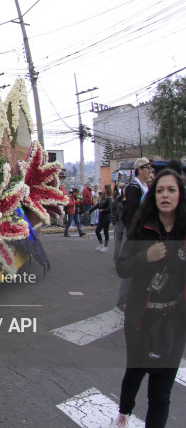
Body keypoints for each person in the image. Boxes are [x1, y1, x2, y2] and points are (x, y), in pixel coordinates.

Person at [112, 168, 186, 427]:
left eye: (171, 190)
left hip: (174, 323)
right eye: (160, 190)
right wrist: (146, 257)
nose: (165, 195)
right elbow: (122, 267)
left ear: (180, 195)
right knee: (134, 374)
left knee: (161, 394)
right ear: (153, 196)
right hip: (139, 320)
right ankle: (124, 412)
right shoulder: (142, 229)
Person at [116, 158, 156, 311]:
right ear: (139, 169)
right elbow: (132, 213)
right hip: (135, 233)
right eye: (147, 168)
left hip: (144, 232)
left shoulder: (145, 186)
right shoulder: (134, 187)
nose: (150, 171)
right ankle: (122, 301)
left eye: (150, 168)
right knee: (131, 265)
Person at [89, 184, 113, 252]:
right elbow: (97, 205)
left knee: (106, 231)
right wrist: (90, 211)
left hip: (106, 216)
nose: (102, 189)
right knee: (97, 231)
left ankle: (105, 246)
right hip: (101, 216)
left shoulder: (110, 198)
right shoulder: (102, 197)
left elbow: (109, 208)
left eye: (103, 188)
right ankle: (101, 244)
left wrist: (103, 210)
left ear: (106, 190)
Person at [113, 182, 126, 263]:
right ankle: (116, 259)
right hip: (119, 221)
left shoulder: (131, 200)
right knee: (117, 242)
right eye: (124, 188)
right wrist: (113, 220)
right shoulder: (118, 198)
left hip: (127, 222)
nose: (125, 190)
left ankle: (122, 260)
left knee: (124, 242)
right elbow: (113, 209)